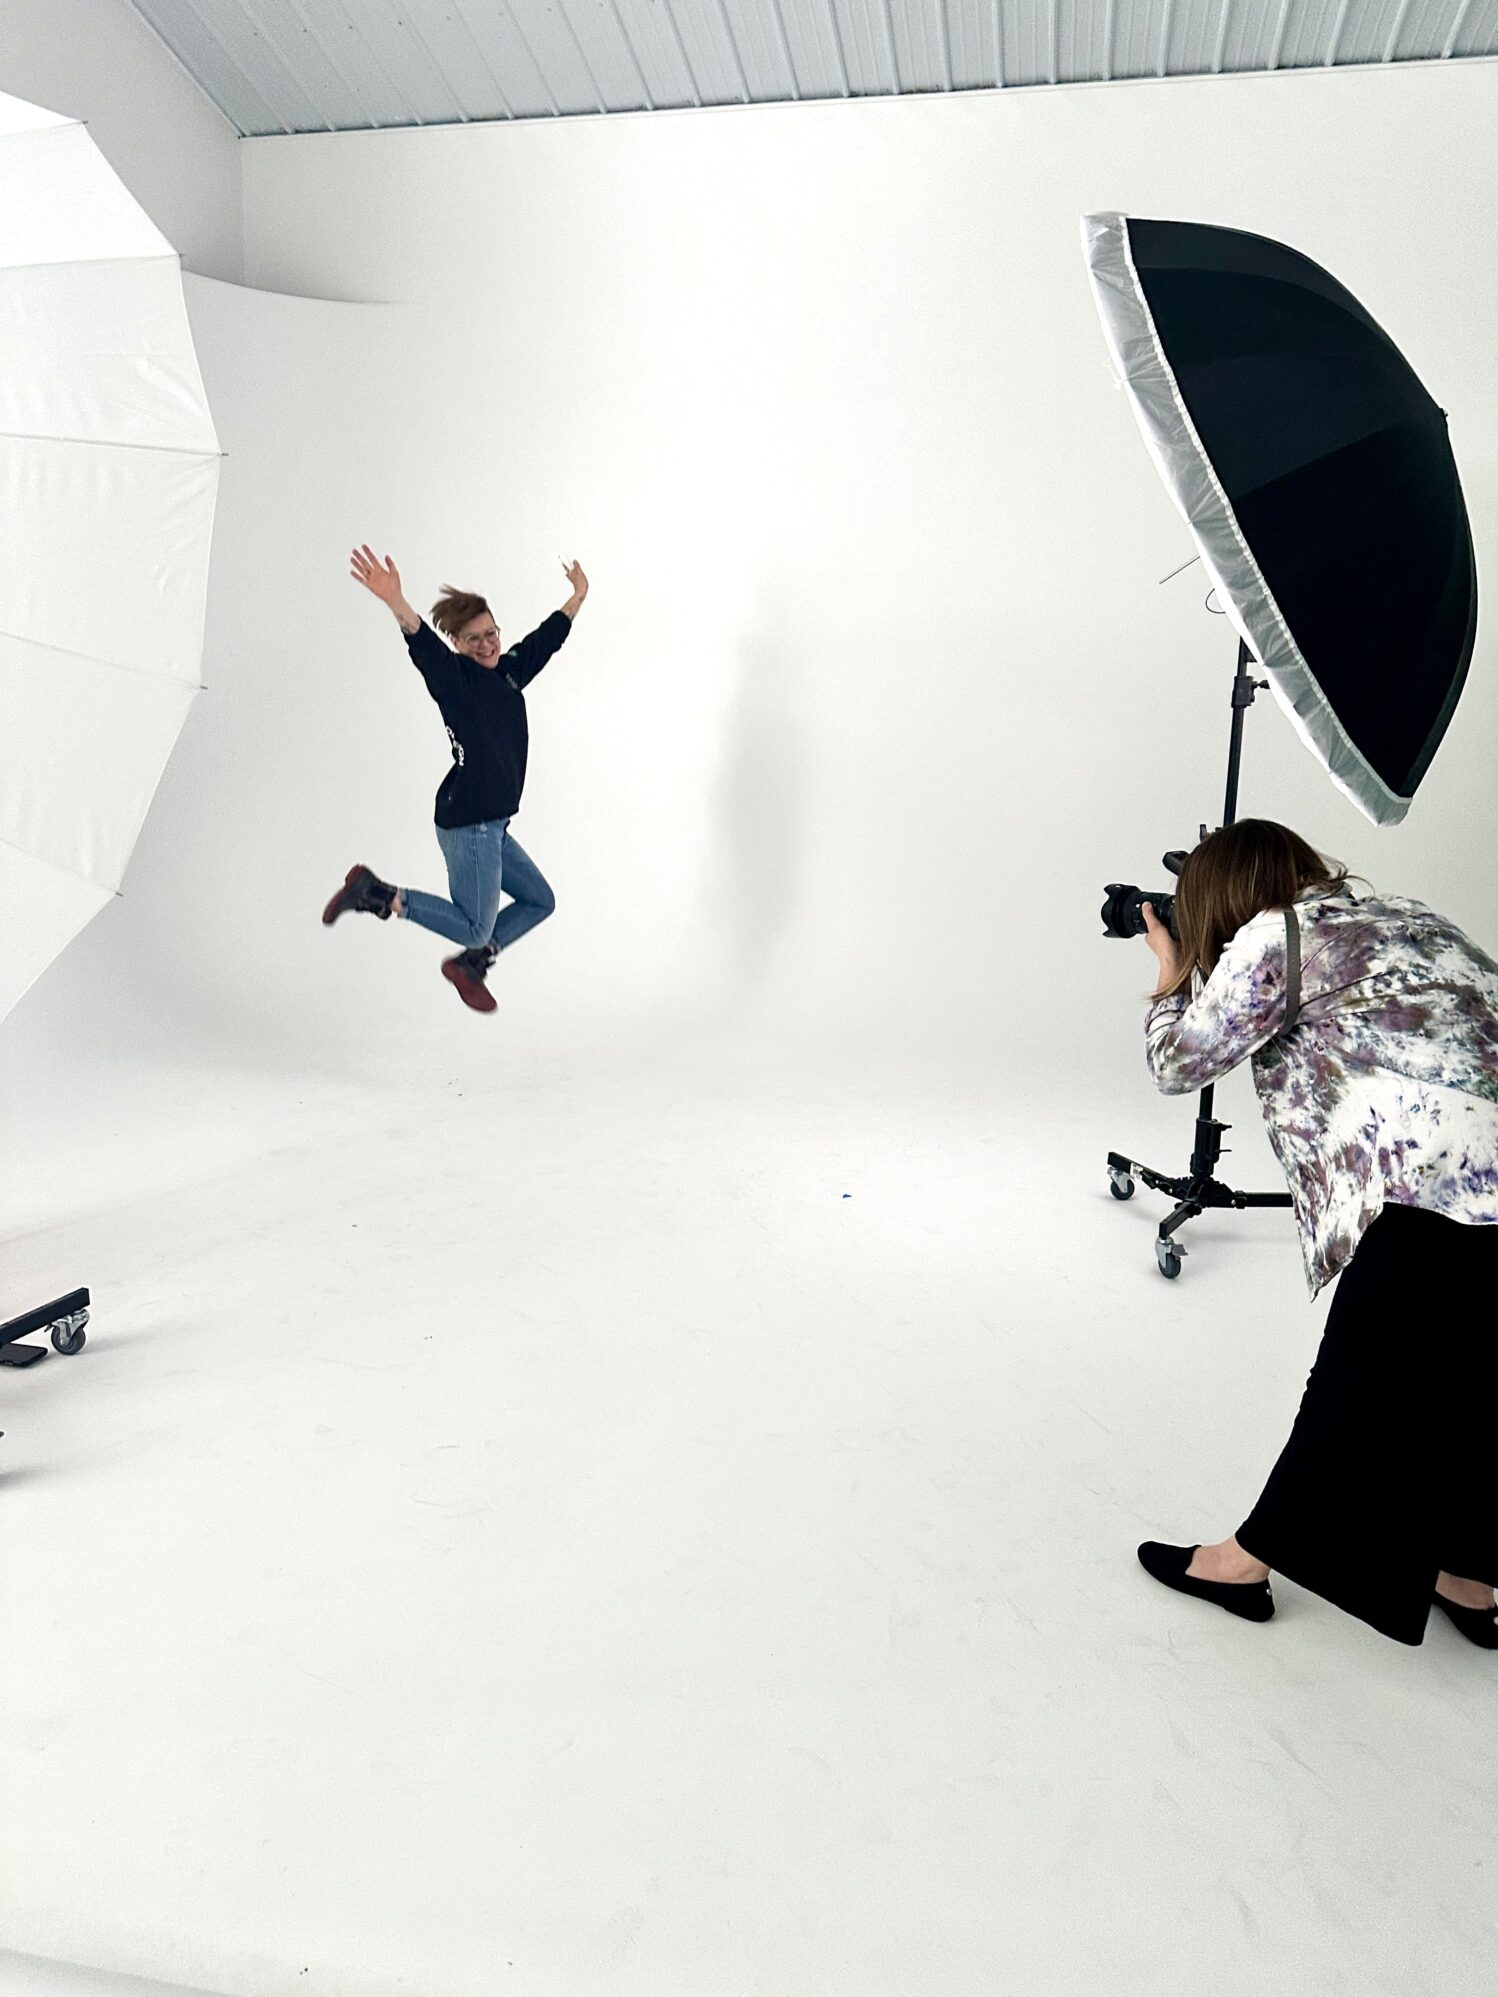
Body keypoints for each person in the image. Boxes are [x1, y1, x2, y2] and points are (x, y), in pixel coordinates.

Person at [1131, 819, 1498, 1648]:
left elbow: (1178, 1063)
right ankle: (1469, 1579)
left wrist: (1172, 971)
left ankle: (1239, 1565)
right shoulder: (1402, 913)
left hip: (1434, 1186)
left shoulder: (1274, 939)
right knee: (1472, 1387)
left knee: (1353, 1393)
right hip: (1485, 1181)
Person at [323, 547, 588, 1012]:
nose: (486, 646)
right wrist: (396, 602)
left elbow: (545, 640)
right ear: (458, 643)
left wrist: (578, 596)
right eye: (473, 640)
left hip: (494, 824)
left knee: (540, 901)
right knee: (475, 927)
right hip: (470, 825)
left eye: (491, 634)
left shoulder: (508, 672)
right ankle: (377, 893)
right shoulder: (455, 680)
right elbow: (424, 648)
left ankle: (471, 964)